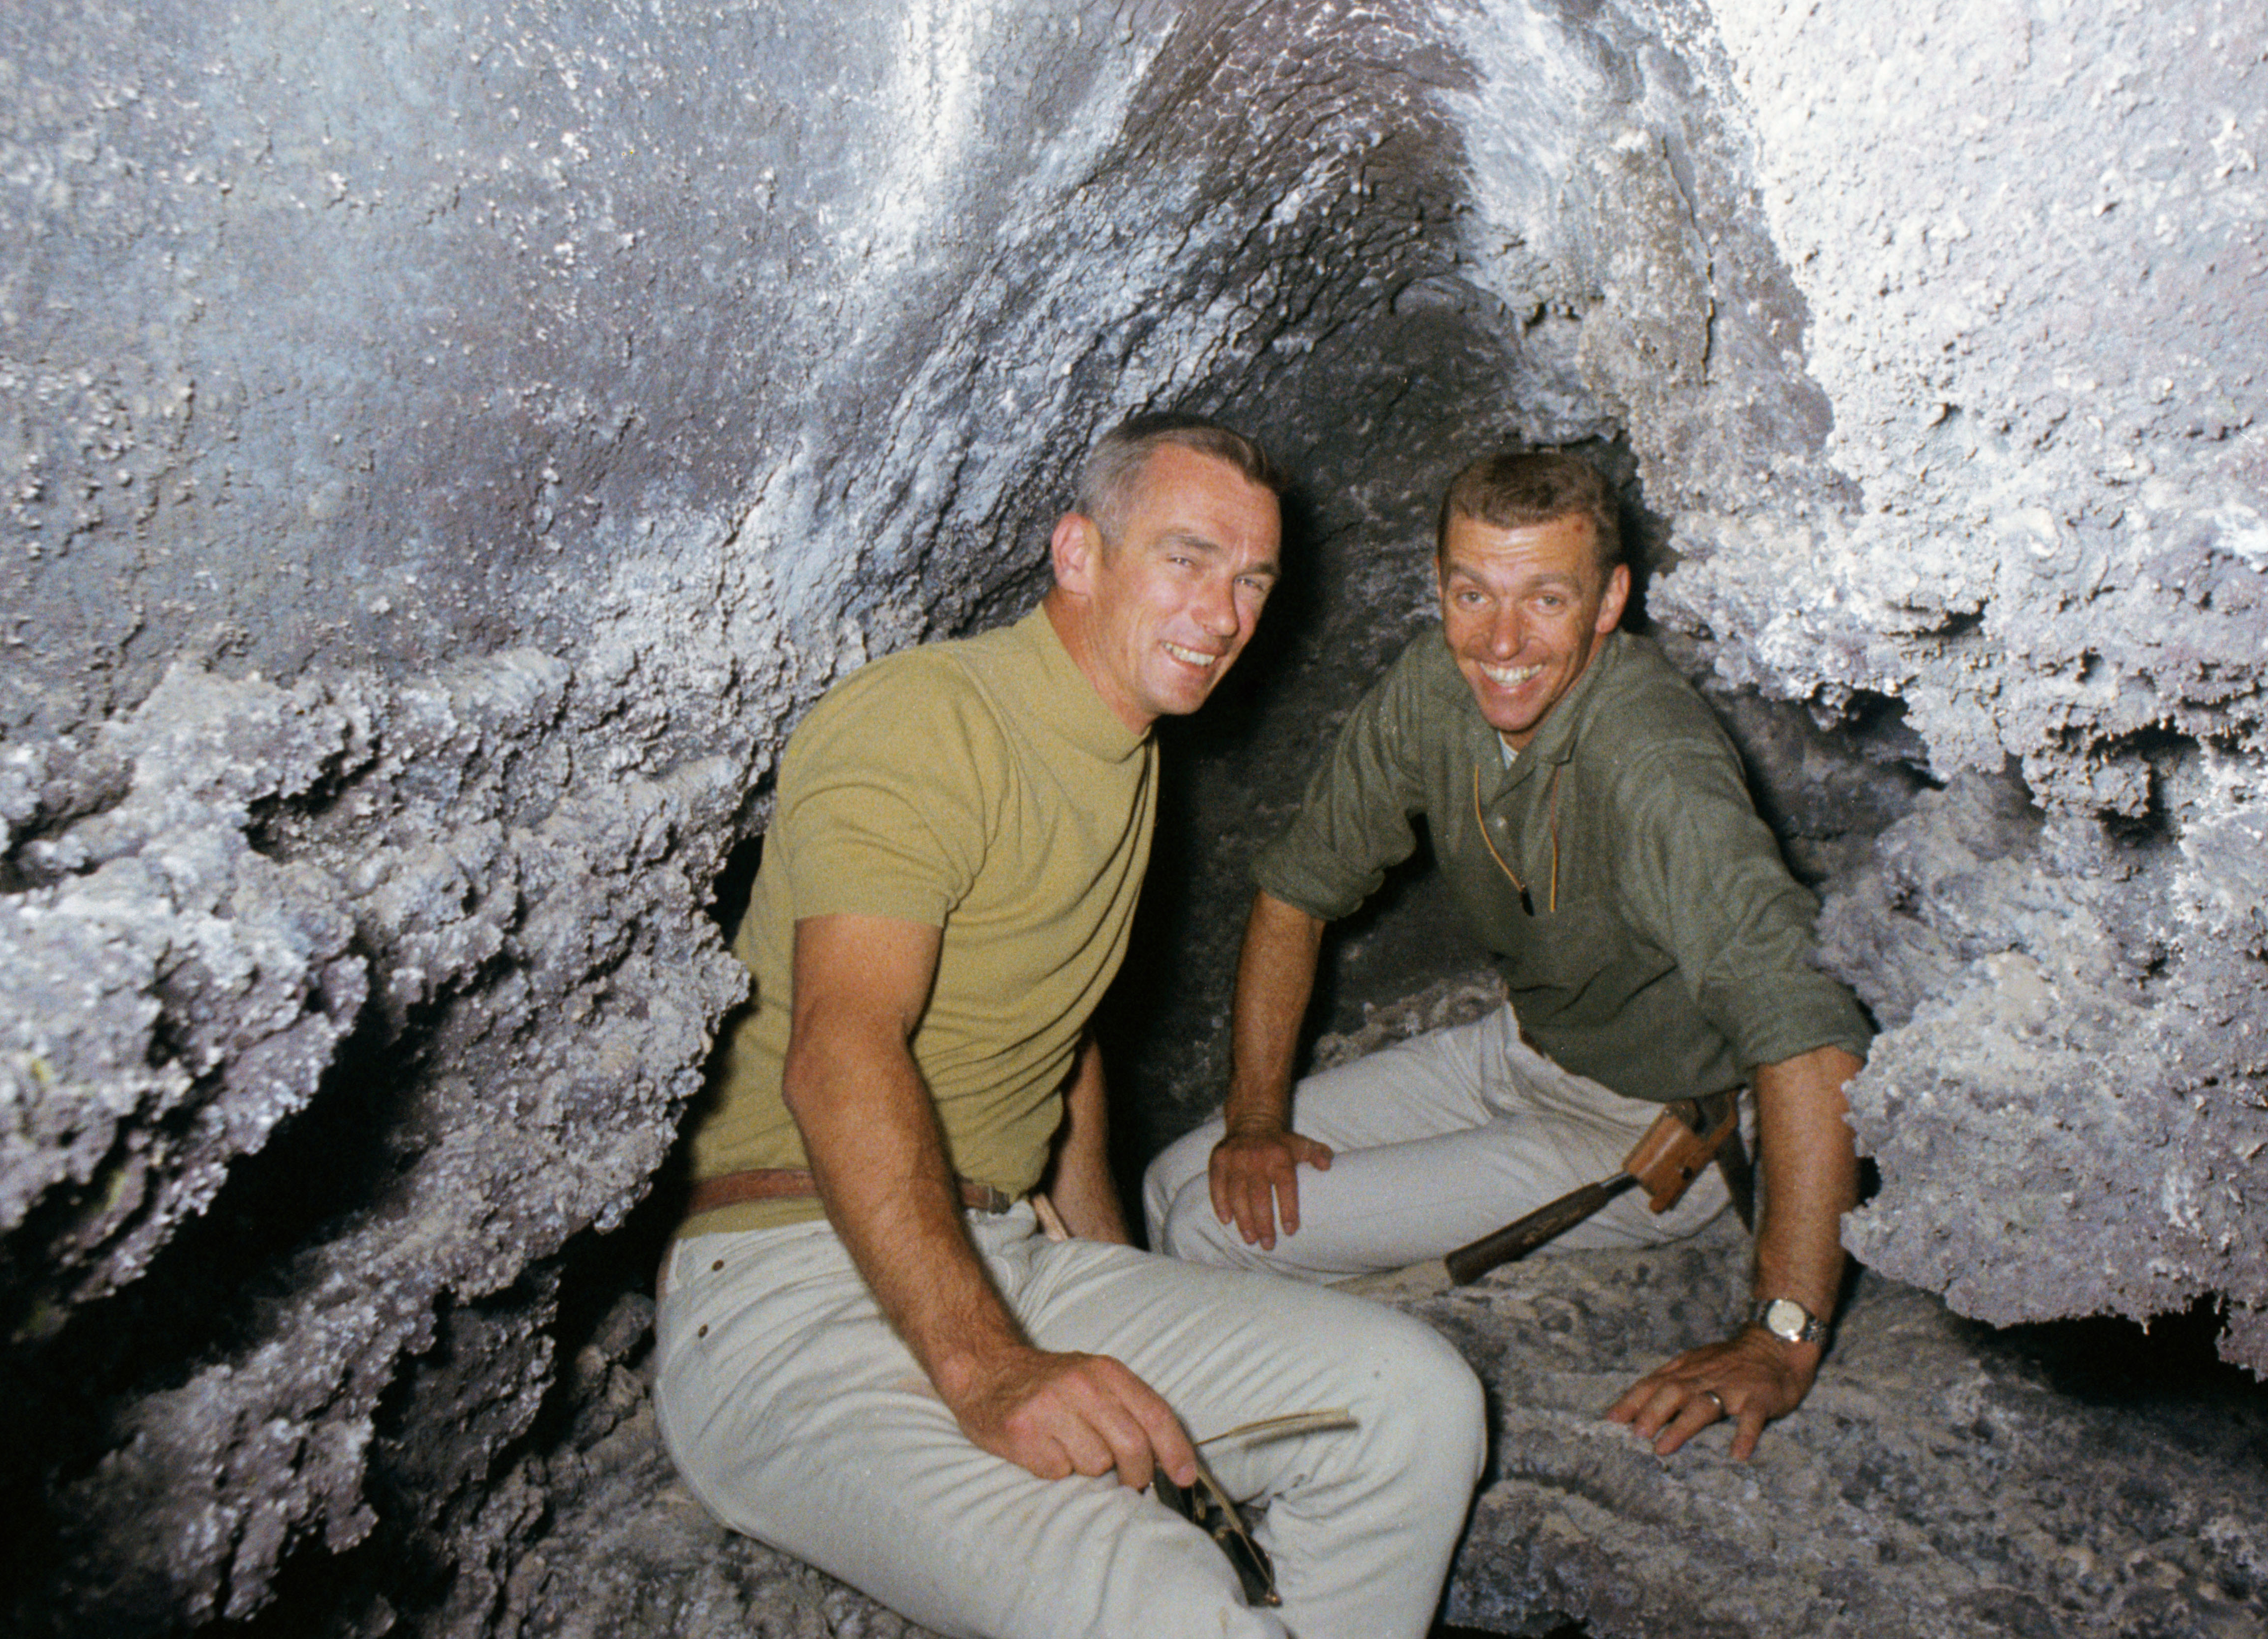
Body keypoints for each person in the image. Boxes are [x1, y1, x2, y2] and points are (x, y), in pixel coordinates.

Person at [655, 416, 1485, 1639]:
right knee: (1157, 1595)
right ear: (1077, 553)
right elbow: (843, 1051)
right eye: (1186, 558)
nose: (1222, 612)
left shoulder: (1126, 748)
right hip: (792, 1289)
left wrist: (1116, 1277)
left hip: (1008, 1259)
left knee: (1413, 1402)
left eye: (1251, 578)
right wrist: (992, 1370)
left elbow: (1061, 1037)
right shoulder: (927, 720)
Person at [1143, 448, 1875, 1462]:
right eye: (1470, 591)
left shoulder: (1651, 766)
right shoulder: (1436, 688)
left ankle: (1253, 1462)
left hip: (1643, 1127)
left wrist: (1780, 1336)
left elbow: (1808, 1031)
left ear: (1608, 598)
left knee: (1211, 1233)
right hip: (1517, 1051)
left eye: (1544, 598)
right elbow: (1295, 891)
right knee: (1174, 1179)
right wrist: (1259, 1117)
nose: (1500, 640)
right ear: (1437, 584)